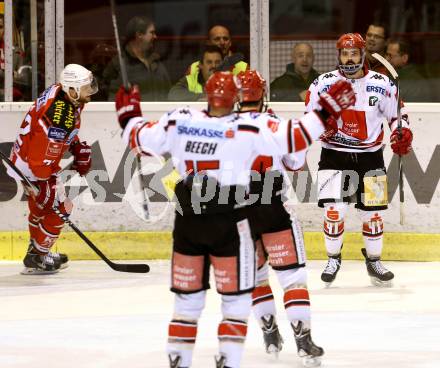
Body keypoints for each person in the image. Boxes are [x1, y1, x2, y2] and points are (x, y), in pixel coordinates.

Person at [114, 71, 355, 367]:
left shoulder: (182, 119)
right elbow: (297, 143)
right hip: (242, 213)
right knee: (259, 292)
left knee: (192, 303)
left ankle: (204, 353)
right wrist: (325, 107)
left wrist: (128, 115)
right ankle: (275, 347)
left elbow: (139, 139)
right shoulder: (251, 125)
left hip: (191, 220)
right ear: (239, 97)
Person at [305, 33, 414, 287]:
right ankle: (333, 258)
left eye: (354, 53)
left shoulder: (382, 83)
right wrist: (323, 126)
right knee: (335, 211)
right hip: (333, 155)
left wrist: (401, 132)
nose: (349, 58)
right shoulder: (323, 83)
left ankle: (374, 261)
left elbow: (398, 115)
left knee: (372, 215)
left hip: (371, 157)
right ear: (338, 55)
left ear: (362, 54)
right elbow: (308, 118)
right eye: (345, 53)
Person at [237, 70, 326, 366]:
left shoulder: (218, 127)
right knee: (293, 279)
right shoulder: (279, 126)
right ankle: (303, 343)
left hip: (236, 214)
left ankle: (270, 336)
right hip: (272, 207)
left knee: (257, 278)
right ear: (263, 94)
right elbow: (296, 164)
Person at [6, 64, 97, 274]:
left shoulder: (62, 93)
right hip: (33, 166)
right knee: (61, 207)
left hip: (24, 157)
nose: (90, 90)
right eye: (86, 87)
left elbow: (46, 134)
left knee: (39, 209)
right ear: (72, 90)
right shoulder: (59, 118)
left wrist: (73, 144)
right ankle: (38, 255)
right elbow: (41, 157)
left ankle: (36, 251)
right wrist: (45, 182)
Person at [102, 15, 171, 101]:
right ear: (139, 35)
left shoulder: (156, 62)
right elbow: (110, 99)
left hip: (159, 113)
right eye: (152, 33)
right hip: (134, 113)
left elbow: (169, 94)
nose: (155, 36)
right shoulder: (119, 64)